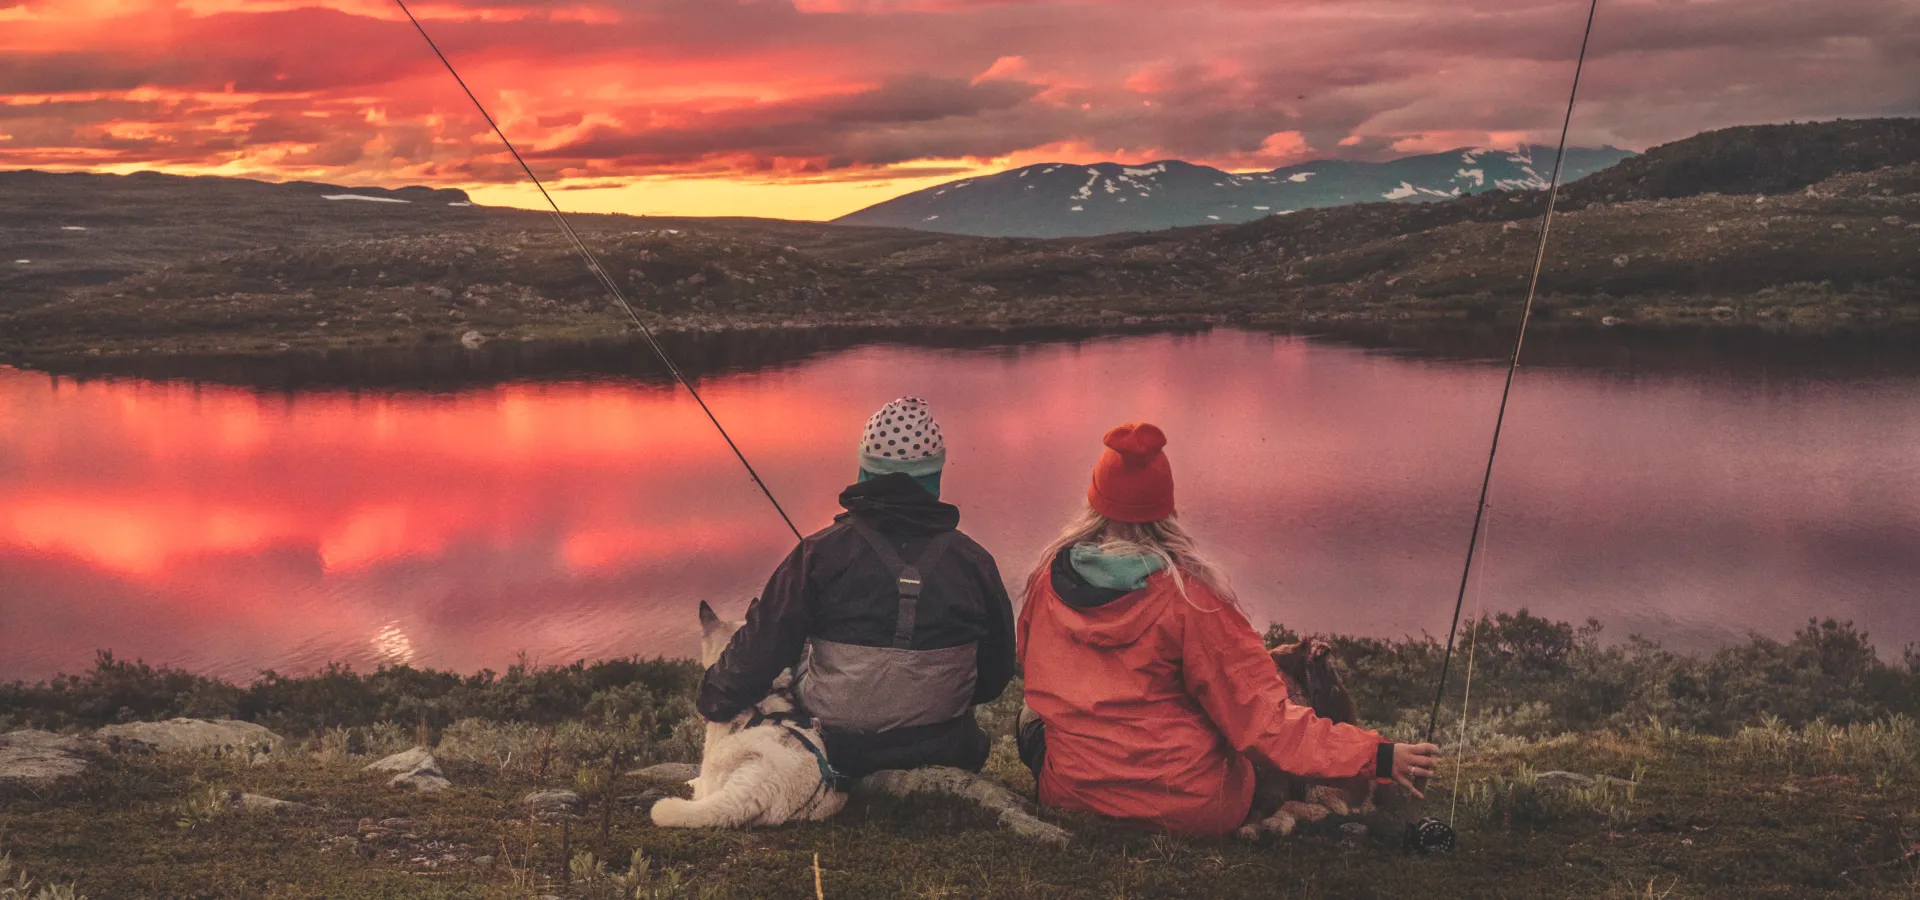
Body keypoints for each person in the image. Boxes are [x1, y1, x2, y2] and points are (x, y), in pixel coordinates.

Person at [1015, 422, 1441, 836]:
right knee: (1252, 709)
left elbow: (1033, 671)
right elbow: (1265, 725)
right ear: (1167, 510)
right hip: (1190, 809)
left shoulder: (1045, 584)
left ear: (1095, 503)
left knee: (1029, 716)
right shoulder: (1190, 600)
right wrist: (1378, 757)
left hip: (1073, 796)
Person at [696, 397, 1017, 777]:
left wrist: (712, 698)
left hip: (837, 751)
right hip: (947, 747)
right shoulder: (975, 562)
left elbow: (757, 655)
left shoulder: (818, 554)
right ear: (936, 476)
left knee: (797, 660)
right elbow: (995, 676)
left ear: (864, 468)